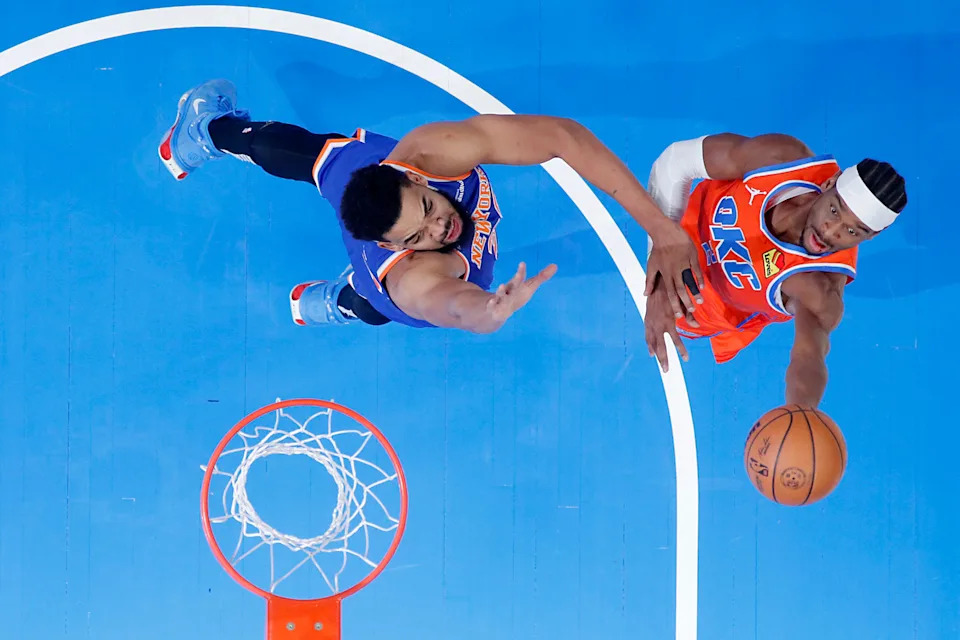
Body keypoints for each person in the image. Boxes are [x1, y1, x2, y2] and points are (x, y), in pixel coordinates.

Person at [159, 79, 703, 334]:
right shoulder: (413, 275)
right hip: (398, 288)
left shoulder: (429, 153)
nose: (442, 225)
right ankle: (339, 301)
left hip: (374, 189)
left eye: (427, 206)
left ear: (412, 177)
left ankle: (207, 131)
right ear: (395, 245)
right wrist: (490, 311)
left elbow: (565, 137)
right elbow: (454, 306)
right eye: (420, 233)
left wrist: (664, 230)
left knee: (319, 154)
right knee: (376, 305)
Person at [642, 133, 907, 407]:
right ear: (829, 183)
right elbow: (673, 164)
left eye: (852, 231)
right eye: (834, 211)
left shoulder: (818, 288)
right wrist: (660, 276)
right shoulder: (781, 160)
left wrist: (801, 411)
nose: (832, 232)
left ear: (870, 237)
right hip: (671, 218)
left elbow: (809, 356)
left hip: (689, 304)